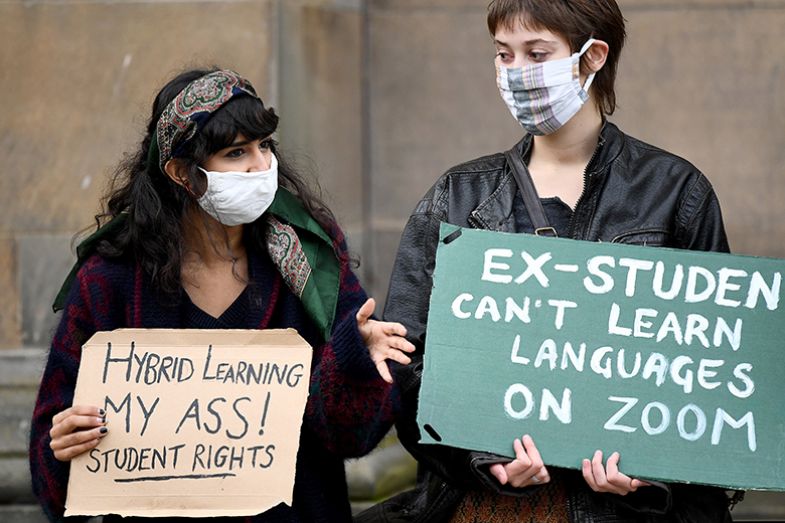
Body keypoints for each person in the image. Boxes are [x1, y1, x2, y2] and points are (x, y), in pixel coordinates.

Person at [377, 0, 734, 521]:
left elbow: (712, 370)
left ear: (592, 57)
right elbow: (407, 363)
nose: (516, 72)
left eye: (537, 53)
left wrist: (653, 469)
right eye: (504, 54)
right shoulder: (457, 195)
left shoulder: (676, 192)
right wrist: (481, 458)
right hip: (488, 508)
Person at [29, 68, 415, 523]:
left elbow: (353, 436)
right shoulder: (109, 281)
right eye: (236, 153)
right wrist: (63, 447)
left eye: (264, 145)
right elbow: (51, 480)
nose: (261, 165)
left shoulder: (310, 262)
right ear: (182, 173)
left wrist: (354, 358)